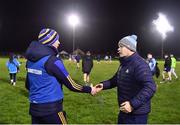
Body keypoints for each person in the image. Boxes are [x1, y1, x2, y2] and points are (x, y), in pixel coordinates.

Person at [25, 28, 96, 124]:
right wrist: (90, 89)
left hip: (34, 110)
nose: (59, 42)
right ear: (50, 41)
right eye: (56, 40)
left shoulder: (29, 60)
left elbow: (28, 85)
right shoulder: (53, 61)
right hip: (52, 110)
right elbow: (72, 85)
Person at [94, 35, 156, 124]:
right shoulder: (124, 63)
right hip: (124, 110)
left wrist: (132, 104)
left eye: (121, 46)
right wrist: (103, 85)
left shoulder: (140, 64)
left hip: (136, 114)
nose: (118, 49)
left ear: (129, 47)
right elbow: (116, 80)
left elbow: (150, 87)